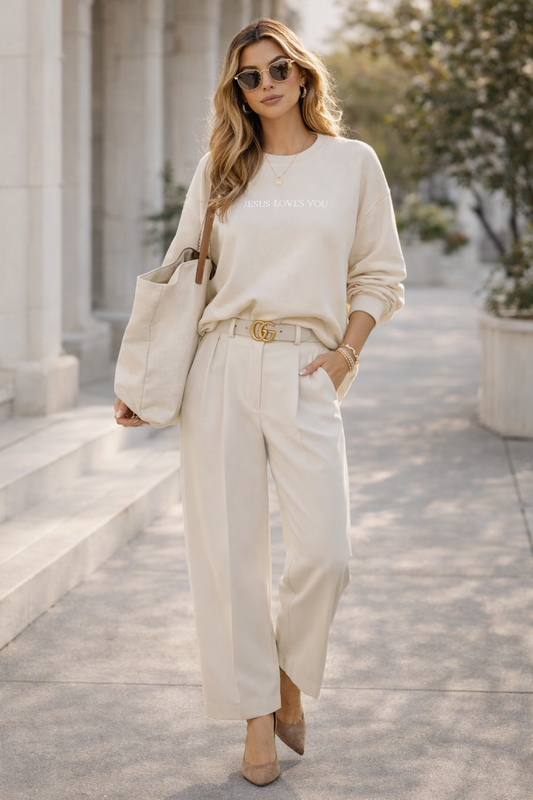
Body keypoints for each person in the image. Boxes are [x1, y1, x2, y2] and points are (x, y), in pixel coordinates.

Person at [114, 17, 406, 787]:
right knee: (229, 559)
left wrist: (345, 352)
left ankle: (286, 678)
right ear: (236, 89)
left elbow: (379, 273)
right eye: (250, 74)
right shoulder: (221, 167)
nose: (268, 82)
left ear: (304, 75)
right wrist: (146, 386)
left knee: (326, 556)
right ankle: (254, 723)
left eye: (279, 67)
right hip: (221, 364)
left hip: (307, 367)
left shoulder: (352, 164)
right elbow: (184, 276)